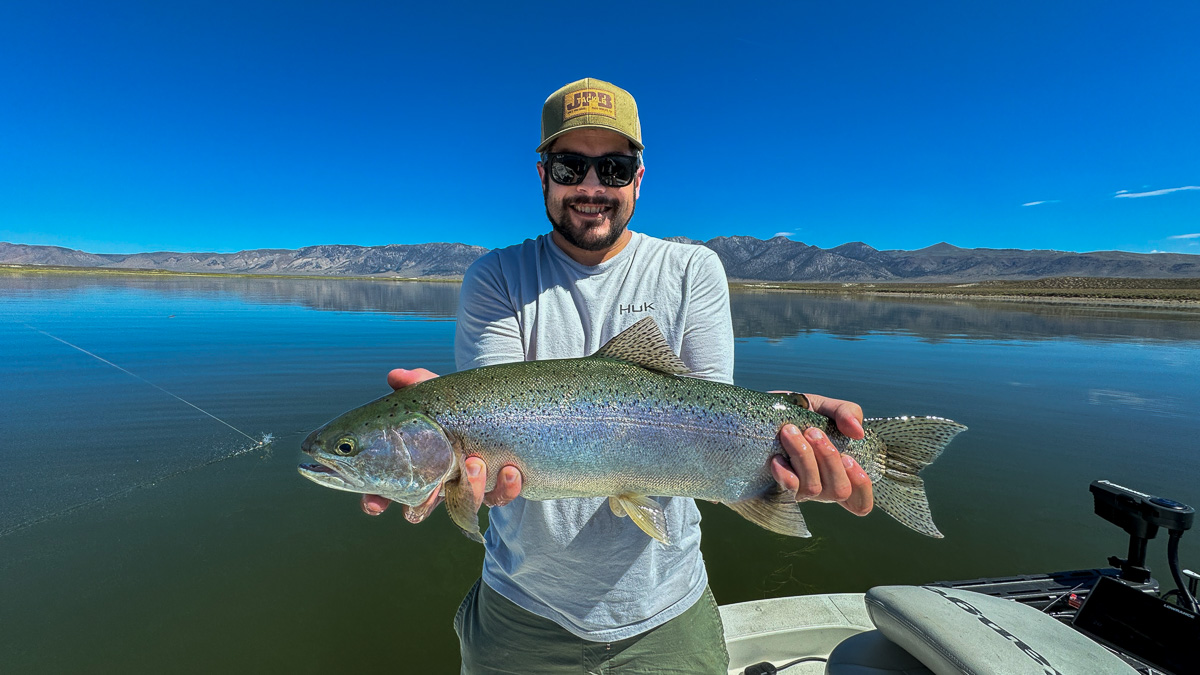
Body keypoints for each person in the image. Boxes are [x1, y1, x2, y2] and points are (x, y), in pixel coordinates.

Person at [361, 78, 874, 674]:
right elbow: (496, 435)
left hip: (666, 608)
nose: (590, 187)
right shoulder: (495, 277)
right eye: (570, 165)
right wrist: (444, 446)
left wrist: (794, 428)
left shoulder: (690, 270)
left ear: (638, 176)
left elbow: (709, 411)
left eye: (613, 167)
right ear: (542, 173)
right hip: (521, 610)